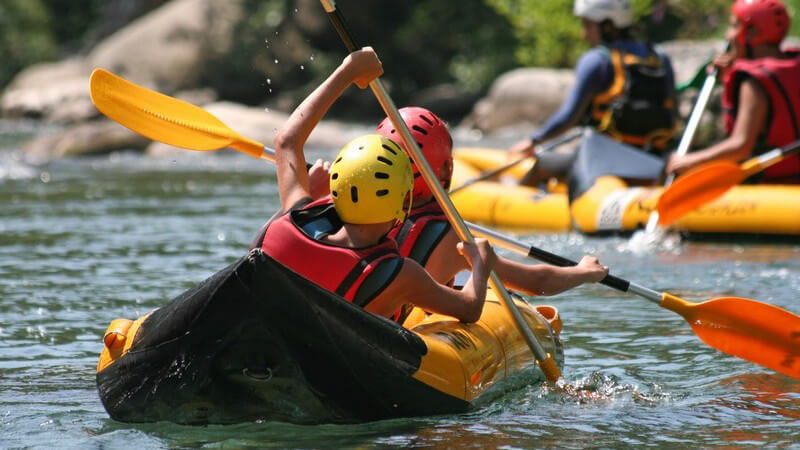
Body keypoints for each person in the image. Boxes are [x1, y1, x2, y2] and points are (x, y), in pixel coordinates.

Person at [252, 47, 497, 324]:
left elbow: (286, 141)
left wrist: (347, 72)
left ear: (336, 190)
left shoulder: (287, 225)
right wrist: (480, 266)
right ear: (403, 205)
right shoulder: (400, 274)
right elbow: (469, 308)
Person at [375, 107, 609, 313]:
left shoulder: (358, 215)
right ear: (447, 168)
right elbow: (537, 282)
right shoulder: (454, 239)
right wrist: (584, 271)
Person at [509, 0, 677, 187]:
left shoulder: (596, 61)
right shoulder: (660, 57)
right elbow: (672, 110)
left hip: (604, 161)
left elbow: (569, 117)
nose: (583, 33)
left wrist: (534, 141)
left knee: (542, 165)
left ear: (608, 26)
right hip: (654, 161)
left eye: (587, 25)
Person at [666, 0, 800, 183]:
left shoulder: (753, 82)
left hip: (771, 186)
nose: (728, 35)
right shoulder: (793, 64)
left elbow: (740, 147)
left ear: (753, 32)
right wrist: (728, 77)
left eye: (734, 25)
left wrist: (688, 162)